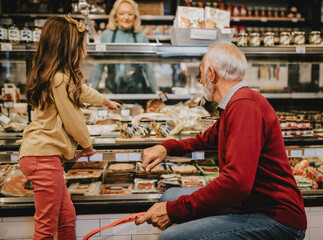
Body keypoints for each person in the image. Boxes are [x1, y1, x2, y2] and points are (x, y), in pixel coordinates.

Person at [135, 41, 307, 240]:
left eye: (200, 73)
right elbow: (202, 141)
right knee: (169, 196)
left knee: (171, 238)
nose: (200, 81)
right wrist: (165, 147)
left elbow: (236, 184)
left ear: (211, 73)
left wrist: (176, 210)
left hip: (276, 218)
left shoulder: (244, 107)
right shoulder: (234, 104)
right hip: (249, 204)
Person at [19, 14, 121, 240]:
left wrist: (104, 101)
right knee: (45, 227)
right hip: (43, 156)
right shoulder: (60, 79)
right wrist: (87, 146)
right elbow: (73, 118)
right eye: (82, 47)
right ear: (68, 48)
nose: (85, 52)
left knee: (66, 217)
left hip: (42, 156)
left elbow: (82, 91)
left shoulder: (57, 76)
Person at [91, 0, 158, 93]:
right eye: (121, 14)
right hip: (112, 90)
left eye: (130, 14)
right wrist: (93, 90)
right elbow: (99, 65)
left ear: (135, 17)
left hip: (137, 91)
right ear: (115, 16)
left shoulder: (141, 35)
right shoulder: (107, 34)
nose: (126, 17)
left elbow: (148, 65)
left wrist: (156, 90)